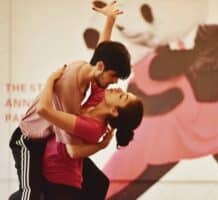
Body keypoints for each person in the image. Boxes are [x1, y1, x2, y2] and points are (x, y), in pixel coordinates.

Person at [9, 1, 131, 199]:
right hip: (28, 140)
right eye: (114, 76)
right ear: (101, 67)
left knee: (98, 183)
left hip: (47, 138)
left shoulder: (91, 73)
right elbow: (73, 150)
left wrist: (110, 19)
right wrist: (101, 145)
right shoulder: (69, 88)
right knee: (29, 193)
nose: (115, 82)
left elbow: (103, 50)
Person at [36, 66, 143, 200]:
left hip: (59, 178)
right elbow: (102, 64)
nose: (119, 89)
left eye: (121, 96)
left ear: (114, 111)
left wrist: (51, 80)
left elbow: (43, 110)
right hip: (54, 168)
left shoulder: (93, 127)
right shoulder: (98, 98)